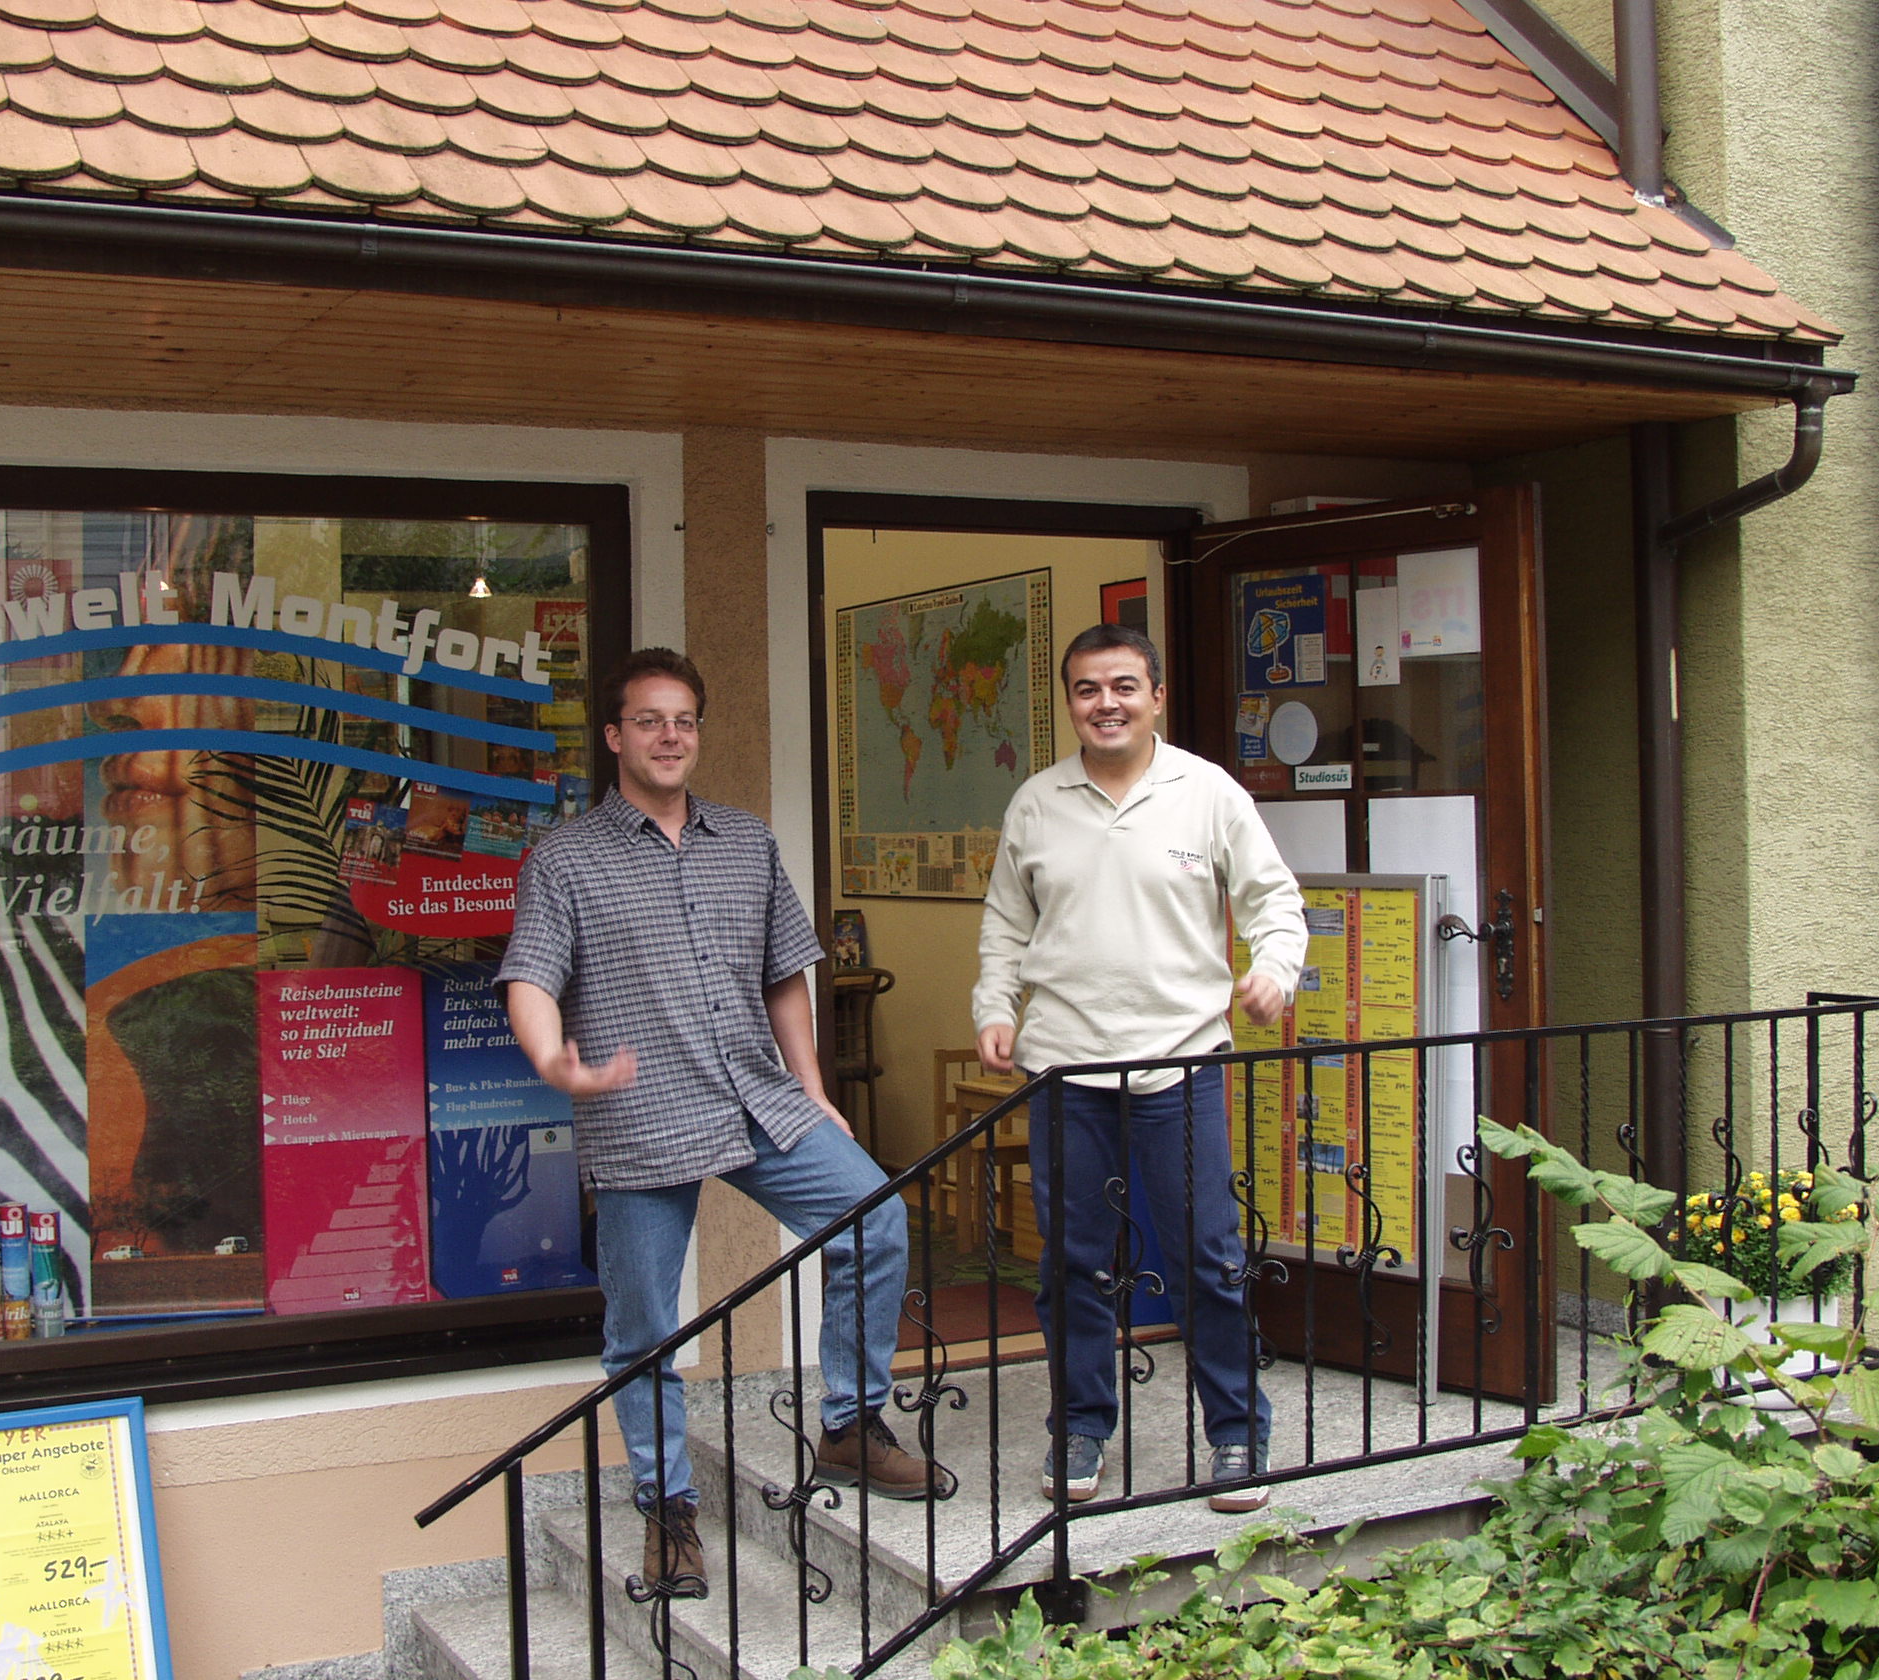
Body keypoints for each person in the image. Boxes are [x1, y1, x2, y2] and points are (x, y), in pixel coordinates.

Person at [500, 647, 951, 1601]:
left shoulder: (747, 842)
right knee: (643, 1331)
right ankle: (668, 1515)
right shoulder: (566, 859)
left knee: (873, 1212)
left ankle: (850, 1426)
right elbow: (532, 976)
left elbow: (786, 968)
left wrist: (814, 1083)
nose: (670, 737)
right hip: (639, 1113)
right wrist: (552, 1060)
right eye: (650, 721)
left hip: (755, 1093)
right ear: (616, 737)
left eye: (685, 721)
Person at [972, 623, 1307, 1513]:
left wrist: (1273, 970)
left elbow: (1275, 899)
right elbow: (1006, 924)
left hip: (1182, 1065)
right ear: (1071, 705)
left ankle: (1237, 1434)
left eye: (1124, 686)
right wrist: (994, 1009)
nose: (1106, 703)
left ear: (1155, 695)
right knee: (1072, 1265)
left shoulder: (1209, 793)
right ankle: (1081, 1428)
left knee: (1208, 1258)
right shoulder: (1037, 804)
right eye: (1087, 689)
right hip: (1064, 1074)